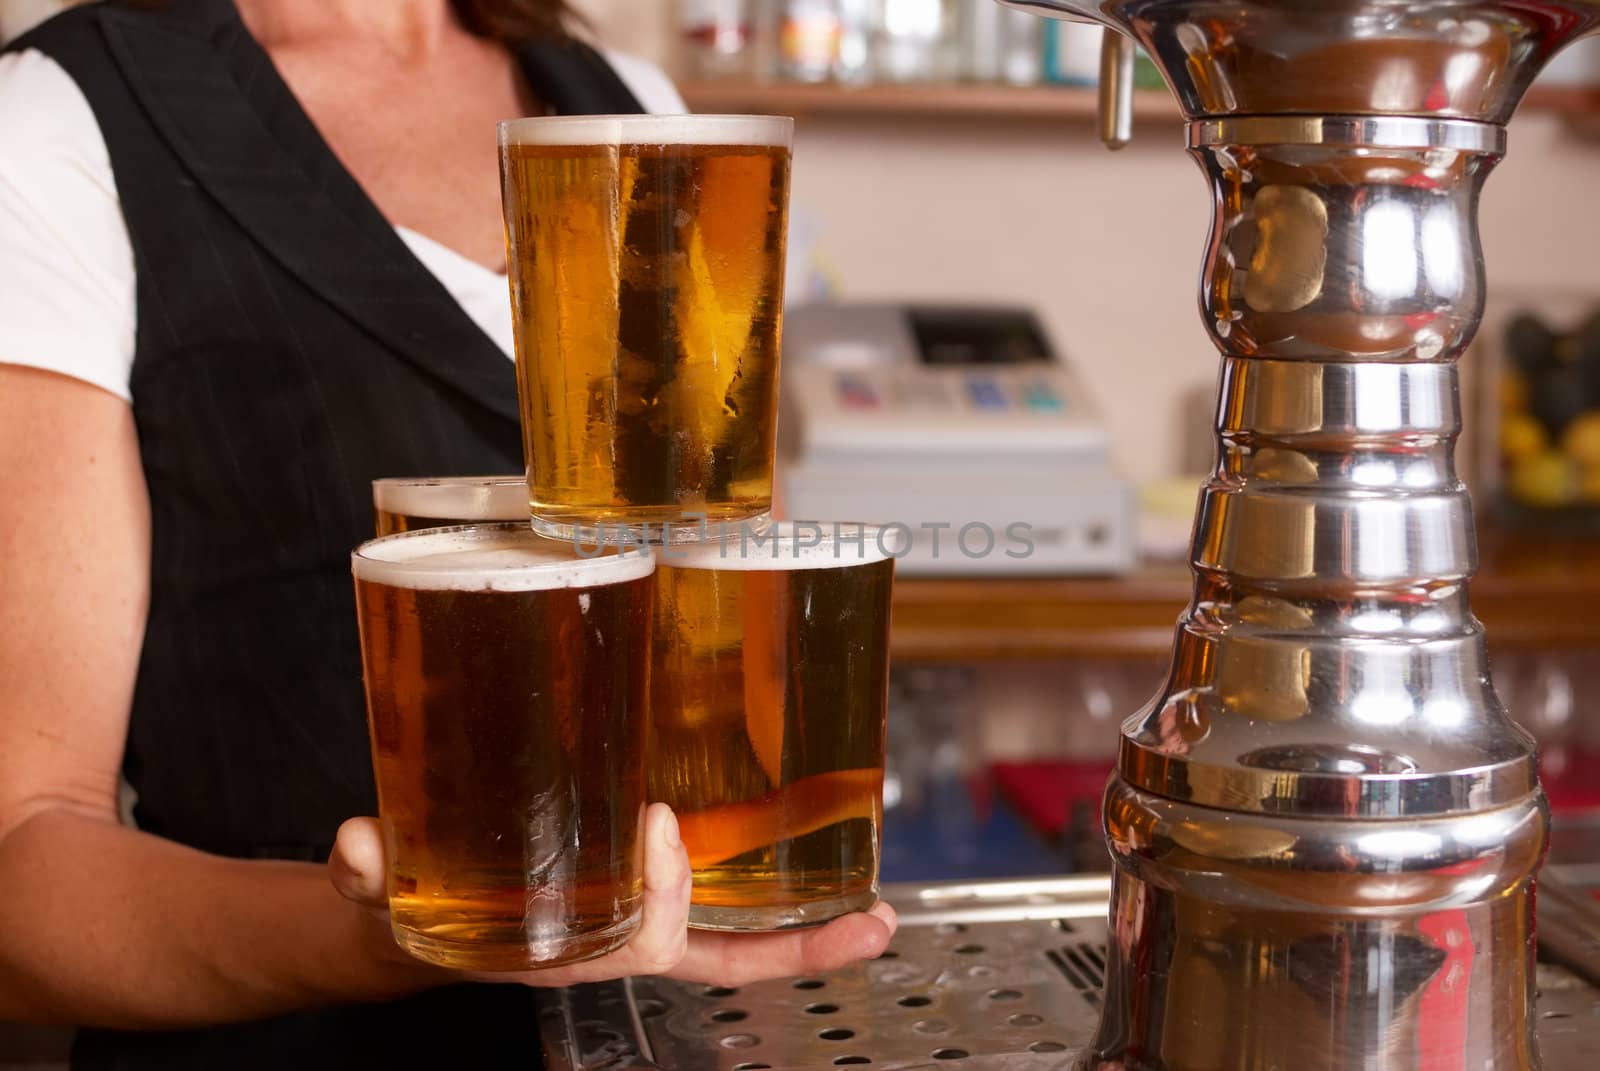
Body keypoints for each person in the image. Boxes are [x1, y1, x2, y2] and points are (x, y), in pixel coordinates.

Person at [0, 1, 896, 1066]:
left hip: (650, 1038)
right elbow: (21, 872)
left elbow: (733, 616)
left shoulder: (623, 104)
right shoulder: (57, 125)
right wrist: (405, 934)